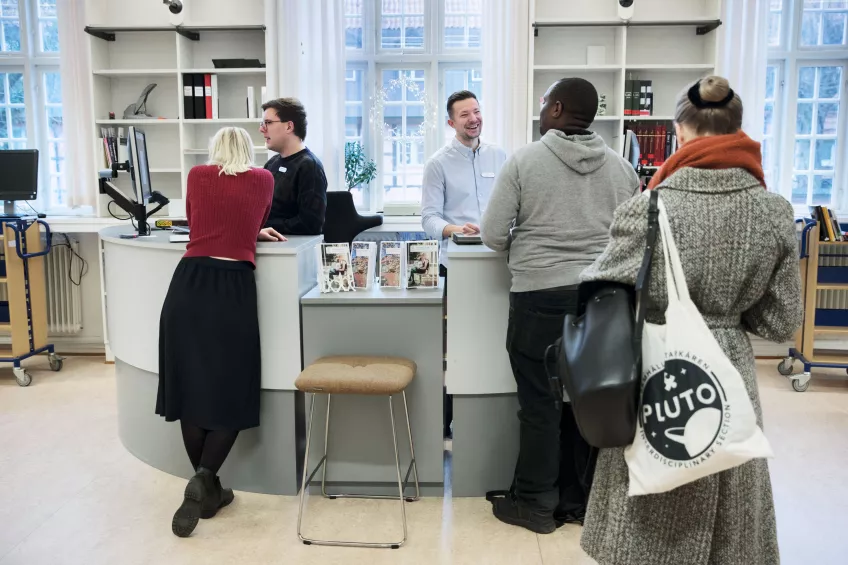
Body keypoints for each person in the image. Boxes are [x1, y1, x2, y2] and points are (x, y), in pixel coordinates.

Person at [578, 76, 802, 564]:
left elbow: (601, 287)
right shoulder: (773, 212)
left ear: (680, 131)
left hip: (663, 370)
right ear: (738, 129)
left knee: (651, 497)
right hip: (729, 375)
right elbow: (781, 322)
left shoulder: (648, 208)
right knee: (730, 515)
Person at [480, 78, 640, 534]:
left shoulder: (524, 161)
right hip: (602, 300)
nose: (540, 108)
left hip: (538, 298)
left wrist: (528, 244)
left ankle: (534, 503)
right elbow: (633, 238)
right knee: (586, 402)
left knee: (539, 404)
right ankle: (577, 502)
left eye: (544, 101)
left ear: (557, 109)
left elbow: (492, 234)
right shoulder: (620, 168)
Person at [156, 127, 285, 538]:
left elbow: (198, 220)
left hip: (188, 284)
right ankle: (206, 480)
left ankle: (205, 486)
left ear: (213, 152)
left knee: (191, 388)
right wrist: (252, 230)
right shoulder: (265, 178)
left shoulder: (197, 175)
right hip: (232, 287)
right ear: (250, 150)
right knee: (231, 388)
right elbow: (255, 217)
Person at [421, 89, 506, 438]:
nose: (474, 119)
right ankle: (448, 420)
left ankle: (487, 416)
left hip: (496, 265)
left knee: (492, 342)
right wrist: (455, 228)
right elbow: (428, 220)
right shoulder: (438, 164)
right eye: (465, 115)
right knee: (457, 345)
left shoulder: (500, 157)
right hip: (454, 268)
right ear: (450, 122)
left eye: (477, 111)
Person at [259, 97, 328, 236]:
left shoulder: (309, 166)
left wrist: (266, 226)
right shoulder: (271, 163)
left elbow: (310, 224)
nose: (262, 129)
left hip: (290, 248)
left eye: (268, 123)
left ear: (289, 126)